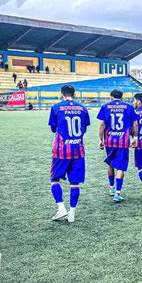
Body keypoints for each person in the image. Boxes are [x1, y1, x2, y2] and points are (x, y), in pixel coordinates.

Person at [48, 85, 90, 223]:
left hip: (61, 150)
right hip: (78, 150)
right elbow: (84, 128)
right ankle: (71, 213)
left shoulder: (56, 107)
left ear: (61, 94)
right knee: (75, 183)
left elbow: (53, 128)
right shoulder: (83, 108)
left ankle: (61, 208)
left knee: (54, 179)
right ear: (74, 94)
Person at [97, 89, 138, 202]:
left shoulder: (105, 106)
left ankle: (111, 188)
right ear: (122, 97)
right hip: (123, 141)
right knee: (121, 166)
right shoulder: (129, 107)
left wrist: (101, 139)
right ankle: (118, 193)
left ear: (111, 97)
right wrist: (135, 137)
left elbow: (102, 125)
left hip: (109, 140)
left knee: (110, 162)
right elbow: (134, 123)